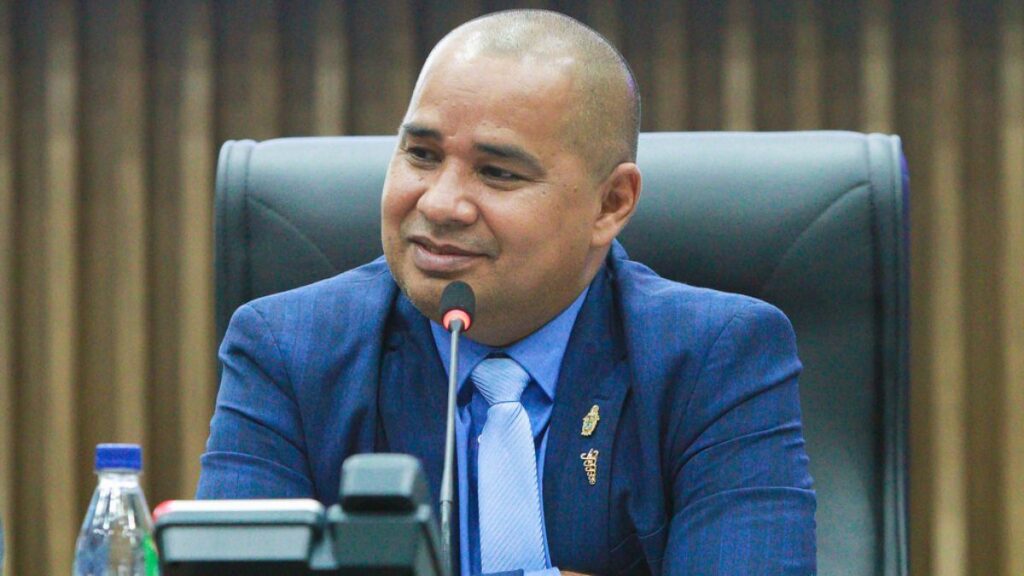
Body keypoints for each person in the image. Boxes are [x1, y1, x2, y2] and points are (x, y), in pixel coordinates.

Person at [197, 9, 816, 575]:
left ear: (610, 203)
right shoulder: (288, 349)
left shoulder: (716, 358)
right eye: (421, 155)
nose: (440, 203)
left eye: (497, 172)